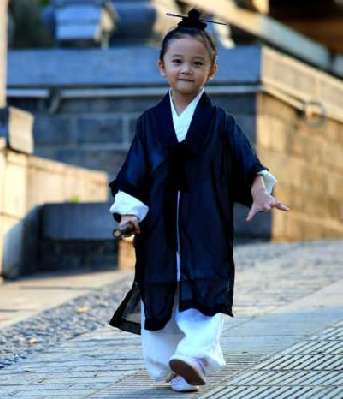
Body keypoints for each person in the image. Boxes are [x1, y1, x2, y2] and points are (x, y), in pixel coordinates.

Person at [107, 9, 289, 393]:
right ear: (162, 67)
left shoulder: (220, 122)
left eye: (197, 63)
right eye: (177, 62)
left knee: (206, 292)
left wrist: (260, 192)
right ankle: (175, 368)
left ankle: (192, 358)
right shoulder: (149, 123)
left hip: (206, 226)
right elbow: (134, 175)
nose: (186, 70)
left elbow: (248, 164)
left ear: (212, 70)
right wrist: (128, 214)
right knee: (161, 297)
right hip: (157, 232)